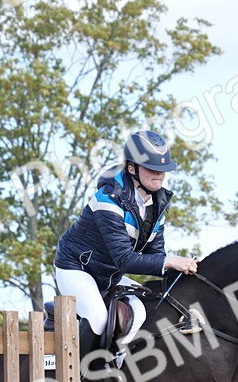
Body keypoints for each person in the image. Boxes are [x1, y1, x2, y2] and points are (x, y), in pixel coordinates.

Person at [54, 130, 199, 360]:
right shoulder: (109, 198)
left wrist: (185, 268)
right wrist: (171, 261)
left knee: (140, 312)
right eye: (152, 169)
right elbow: (126, 259)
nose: (159, 176)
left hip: (110, 274)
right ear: (132, 168)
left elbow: (156, 254)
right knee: (98, 317)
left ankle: (116, 372)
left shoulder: (157, 203)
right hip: (77, 268)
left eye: (162, 171)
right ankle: (74, 378)